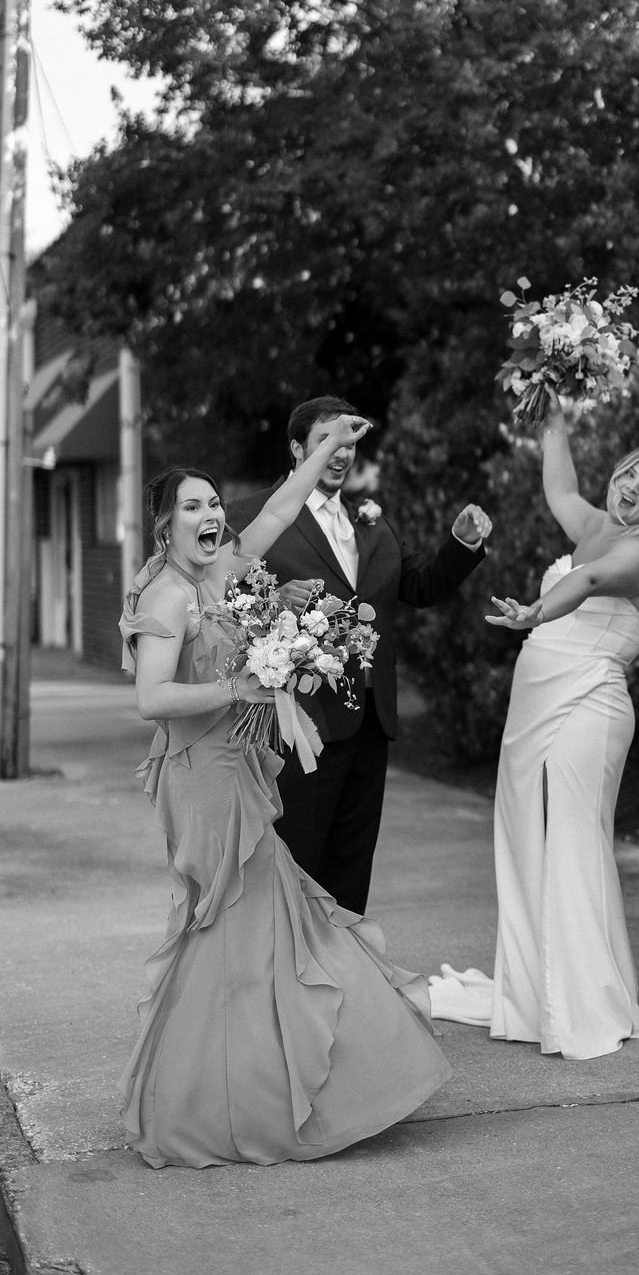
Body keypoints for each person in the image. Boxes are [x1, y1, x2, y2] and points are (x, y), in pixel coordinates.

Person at [118, 413, 452, 1168]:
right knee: (234, 922)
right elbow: (151, 699)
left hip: (237, 768)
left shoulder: (222, 571)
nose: (213, 516)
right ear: (166, 525)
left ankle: (254, 1086)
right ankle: (219, 1099)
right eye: (194, 508)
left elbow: (276, 508)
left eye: (213, 504)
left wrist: (330, 447)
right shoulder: (169, 597)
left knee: (258, 926)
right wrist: (243, 686)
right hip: (201, 780)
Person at [431, 398, 639, 1059]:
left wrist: (538, 610)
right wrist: (552, 405)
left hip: (589, 708)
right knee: (527, 836)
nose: (633, 489)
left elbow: (591, 579)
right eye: (631, 475)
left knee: (573, 842)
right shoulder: (594, 520)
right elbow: (559, 485)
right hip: (538, 705)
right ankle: (539, 983)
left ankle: (587, 1000)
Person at [229, 396, 491, 915]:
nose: (342, 452)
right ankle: (291, 981)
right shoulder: (252, 516)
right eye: (328, 439)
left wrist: (460, 546)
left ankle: (349, 979)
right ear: (297, 448)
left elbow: (415, 585)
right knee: (294, 861)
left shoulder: (369, 521)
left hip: (371, 723)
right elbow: (225, 602)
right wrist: (274, 599)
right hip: (298, 726)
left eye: (349, 441)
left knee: (351, 865)